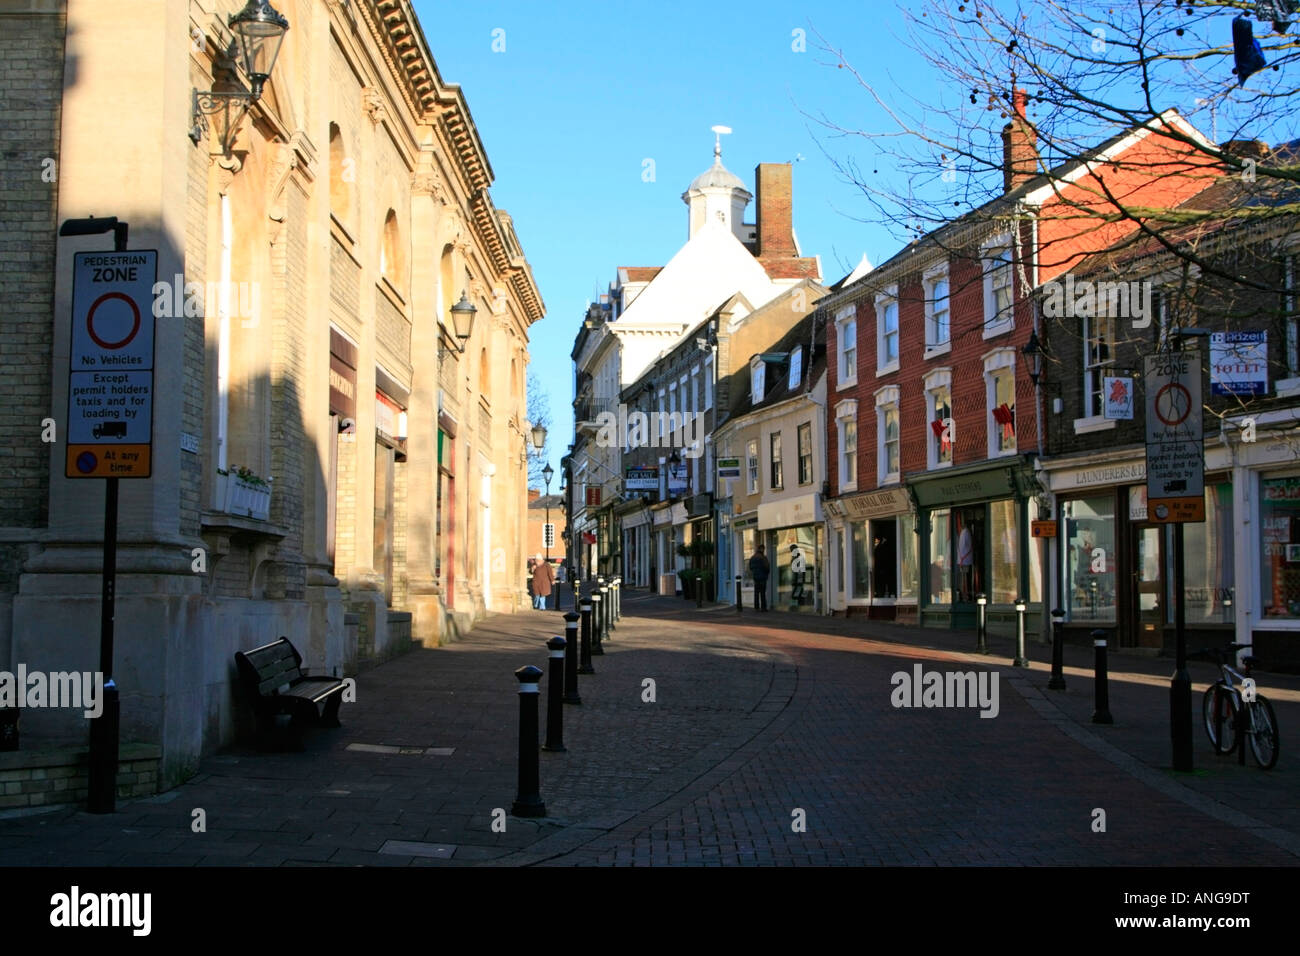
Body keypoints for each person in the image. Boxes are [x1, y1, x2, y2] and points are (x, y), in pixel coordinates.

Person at [749, 544, 770, 611]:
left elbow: (750, 567)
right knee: (763, 593)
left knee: (756, 593)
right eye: (763, 549)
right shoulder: (763, 558)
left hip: (756, 577)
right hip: (762, 577)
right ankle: (763, 607)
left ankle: (756, 607)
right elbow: (767, 567)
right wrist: (766, 574)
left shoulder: (753, 557)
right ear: (762, 549)